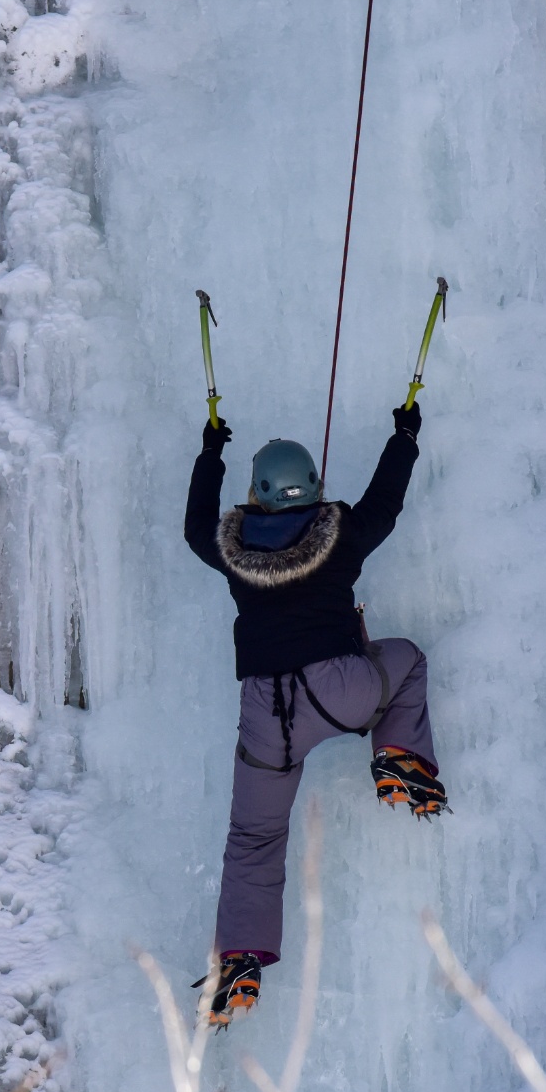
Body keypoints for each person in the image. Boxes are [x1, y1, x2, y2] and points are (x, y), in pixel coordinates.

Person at [185, 402, 447, 1028]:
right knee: (405, 660)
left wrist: (210, 453)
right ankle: (399, 759)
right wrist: (404, 436)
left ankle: (240, 964)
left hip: (266, 719)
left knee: (253, 840)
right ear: (315, 489)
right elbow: (386, 503)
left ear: (258, 495)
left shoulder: (232, 551)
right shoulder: (342, 535)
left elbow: (197, 527)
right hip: (340, 690)